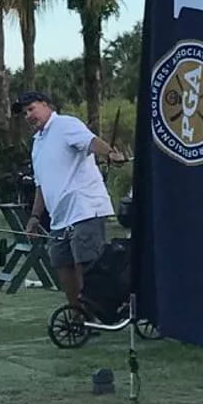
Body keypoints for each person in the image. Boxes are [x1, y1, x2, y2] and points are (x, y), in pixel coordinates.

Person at [14, 91, 125, 308]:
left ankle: (96, 312)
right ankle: (78, 313)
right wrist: (35, 216)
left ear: (46, 105)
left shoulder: (65, 124)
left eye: (31, 109)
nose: (28, 116)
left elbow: (90, 141)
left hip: (85, 208)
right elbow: (41, 184)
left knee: (86, 264)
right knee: (61, 264)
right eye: (25, 113)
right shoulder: (37, 143)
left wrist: (109, 153)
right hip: (59, 217)